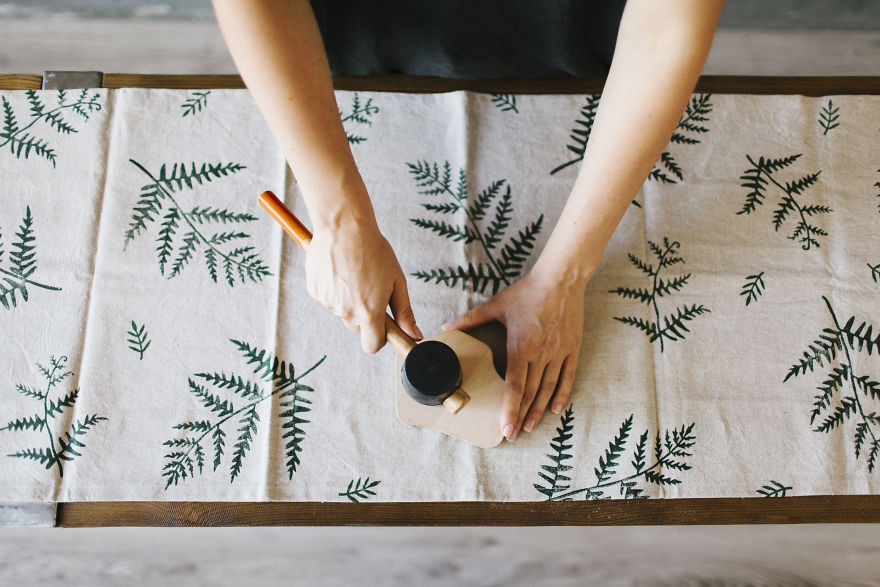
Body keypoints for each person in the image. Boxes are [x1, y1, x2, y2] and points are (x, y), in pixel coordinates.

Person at [211, 0, 725, 442]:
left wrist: (566, 274)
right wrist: (338, 216)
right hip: (348, 49)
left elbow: (665, 29)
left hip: (583, 54)